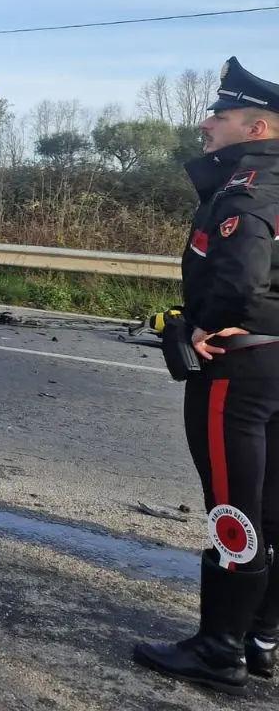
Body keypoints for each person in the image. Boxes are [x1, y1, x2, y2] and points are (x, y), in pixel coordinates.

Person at [132, 56, 279, 696]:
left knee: (235, 508)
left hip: (238, 368)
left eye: (219, 114)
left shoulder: (247, 187)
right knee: (273, 509)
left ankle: (219, 651)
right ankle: (261, 639)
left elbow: (241, 277)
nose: (206, 123)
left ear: (261, 127)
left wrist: (203, 323)